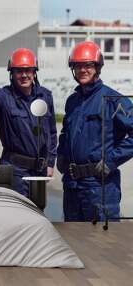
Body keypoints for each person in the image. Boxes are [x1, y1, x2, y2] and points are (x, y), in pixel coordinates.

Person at [57, 41, 133, 221]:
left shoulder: (114, 100)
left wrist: (111, 161)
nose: (83, 70)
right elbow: (65, 133)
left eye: (88, 65)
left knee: (103, 244)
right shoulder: (72, 101)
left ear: (98, 67)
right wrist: (61, 154)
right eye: (78, 66)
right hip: (72, 187)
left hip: (100, 188)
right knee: (74, 242)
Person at [0, 48, 57, 197]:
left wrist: (50, 163)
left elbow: (51, 132)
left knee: (38, 214)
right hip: (14, 171)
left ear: (34, 72)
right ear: (12, 74)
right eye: (19, 71)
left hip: (39, 171)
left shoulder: (46, 96)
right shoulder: (3, 96)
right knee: (17, 215)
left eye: (28, 70)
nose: (24, 75)